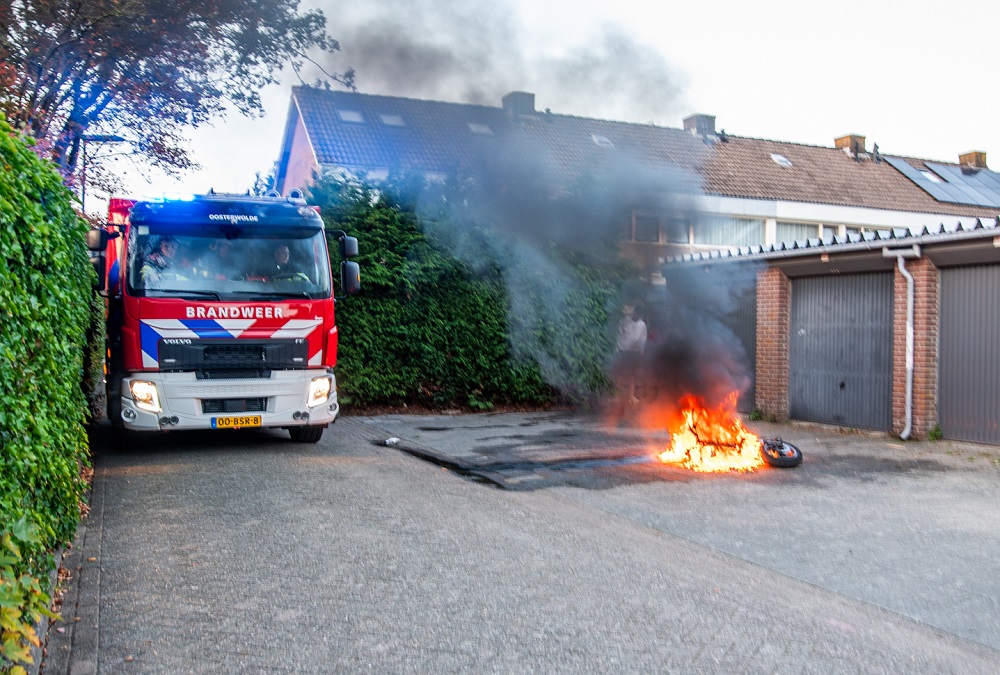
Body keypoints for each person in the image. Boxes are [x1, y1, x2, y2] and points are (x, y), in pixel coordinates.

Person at [615, 301, 647, 404]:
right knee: (620, 374)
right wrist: (617, 348)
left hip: (635, 353)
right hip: (623, 350)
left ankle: (631, 396)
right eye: (636, 312)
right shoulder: (625, 321)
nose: (638, 315)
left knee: (632, 375)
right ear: (634, 312)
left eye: (640, 313)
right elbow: (619, 335)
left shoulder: (642, 325)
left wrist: (641, 352)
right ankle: (617, 395)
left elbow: (643, 339)